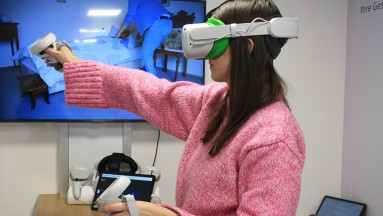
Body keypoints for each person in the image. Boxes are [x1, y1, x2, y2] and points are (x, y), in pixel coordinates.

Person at [44, 0, 306, 215]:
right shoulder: (219, 102)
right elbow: (150, 92)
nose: (205, 56)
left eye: (214, 43)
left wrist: (165, 215)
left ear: (247, 47)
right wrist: (73, 64)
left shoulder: (274, 138)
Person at [116, 0, 173, 76]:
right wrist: (139, 34)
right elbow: (143, 19)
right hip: (168, 24)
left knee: (146, 54)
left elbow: (130, 16)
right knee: (149, 51)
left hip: (158, 24)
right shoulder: (146, 4)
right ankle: (145, 72)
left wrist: (118, 34)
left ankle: (154, 84)